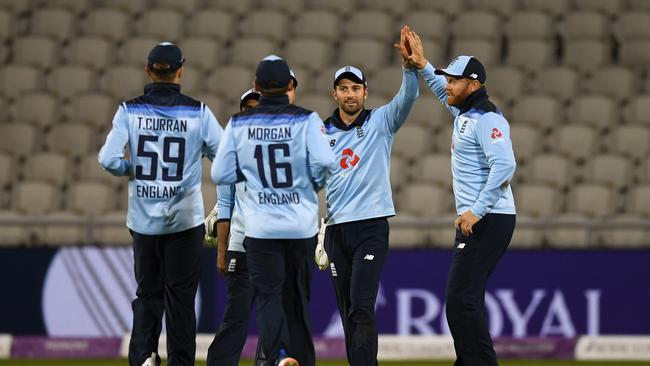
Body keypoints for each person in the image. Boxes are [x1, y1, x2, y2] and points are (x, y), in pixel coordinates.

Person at [98, 42, 223, 366]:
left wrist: (131, 170)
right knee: (181, 300)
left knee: (147, 296)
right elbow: (225, 158)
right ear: (180, 71)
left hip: (144, 221)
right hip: (184, 221)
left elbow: (108, 159)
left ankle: (143, 357)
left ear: (148, 70)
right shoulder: (198, 112)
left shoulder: (129, 110)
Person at [211, 55, 335, 366]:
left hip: (261, 229)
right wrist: (308, 185)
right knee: (296, 302)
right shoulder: (307, 119)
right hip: (300, 226)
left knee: (267, 297)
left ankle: (278, 355)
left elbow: (220, 173)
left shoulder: (239, 123)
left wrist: (252, 179)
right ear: (290, 86)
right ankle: (301, 359)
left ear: (257, 86)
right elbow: (325, 164)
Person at [405, 28, 517, 365]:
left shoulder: (487, 118)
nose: (448, 85)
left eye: (455, 80)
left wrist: (477, 211)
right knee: (466, 300)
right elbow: (442, 93)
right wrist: (424, 65)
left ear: (474, 83)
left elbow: (505, 165)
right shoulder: (467, 114)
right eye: (448, 79)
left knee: (460, 300)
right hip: (481, 219)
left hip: (488, 219)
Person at [320, 26, 419, 365]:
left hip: (371, 228)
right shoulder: (320, 132)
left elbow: (407, 99)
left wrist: (409, 70)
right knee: (348, 310)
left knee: (361, 305)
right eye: (344, 88)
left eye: (356, 88)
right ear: (335, 94)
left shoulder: (380, 122)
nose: (350, 94)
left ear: (365, 92)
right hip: (335, 231)